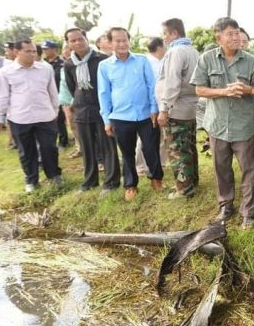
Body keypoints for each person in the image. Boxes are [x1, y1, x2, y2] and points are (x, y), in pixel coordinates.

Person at [191, 17, 254, 229]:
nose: (235, 37)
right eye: (230, 34)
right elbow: (199, 89)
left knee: (248, 170)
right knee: (221, 168)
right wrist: (224, 92)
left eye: (237, 33)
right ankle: (226, 206)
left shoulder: (250, 60)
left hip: (242, 125)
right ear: (219, 38)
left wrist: (248, 90)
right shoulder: (207, 59)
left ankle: (248, 212)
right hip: (217, 125)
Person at [98, 27, 163, 201]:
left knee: (151, 148)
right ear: (110, 43)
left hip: (146, 115)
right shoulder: (104, 66)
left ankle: (156, 178)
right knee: (127, 153)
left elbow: (151, 85)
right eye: (117, 41)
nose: (122, 44)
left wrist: (154, 108)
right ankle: (130, 185)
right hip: (120, 117)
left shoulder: (141, 60)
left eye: (125, 40)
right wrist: (106, 119)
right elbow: (103, 94)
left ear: (129, 41)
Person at [0, 40, 63, 193]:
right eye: (28, 51)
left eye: (34, 51)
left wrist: (55, 111)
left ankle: (54, 175)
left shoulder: (45, 69)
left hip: (45, 116)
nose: (32, 54)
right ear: (17, 52)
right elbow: (1, 96)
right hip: (20, 118)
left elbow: (52, 92)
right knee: (26, 151)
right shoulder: (6, 72)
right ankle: (31, 180)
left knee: (49, 147)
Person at [64, 28, 120, 195]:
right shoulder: (69, 64)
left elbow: (111, 85)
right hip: (81, 110)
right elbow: (72, 87)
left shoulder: (102, 59)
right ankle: (89, 182)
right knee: (87, 148)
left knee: (108, 146)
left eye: (80, 39)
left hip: (102, 109)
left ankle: (111, 182)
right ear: (68, 43)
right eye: (73, 40)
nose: (77, 42)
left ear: (86, 39)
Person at [156, 18, 201, 199]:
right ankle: (193, 181)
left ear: (174, 33)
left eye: (165, 34)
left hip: (177, 108)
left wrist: (164, 108)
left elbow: (172, 83)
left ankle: (184, 189)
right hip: (190, 107)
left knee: (176, 150)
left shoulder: (175, 52)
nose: (163, 38)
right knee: (188, 147)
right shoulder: (193, 51)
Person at [136, 36, 168, 177]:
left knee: (161, 137)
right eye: (165, 46)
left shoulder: (162, 61)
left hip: (161, 104)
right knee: (145, 138)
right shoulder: (147, 62)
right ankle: (140, 166)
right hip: (151, 106)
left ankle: (160, 163)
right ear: (160, 47)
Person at [42, 40, 69, 149]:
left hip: (60, 94)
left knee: (60, 119)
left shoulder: (62, 62)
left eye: (46, 49)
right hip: (46, 95)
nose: (45, 51)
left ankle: (63, 141)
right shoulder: (43, 64)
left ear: (54, 49)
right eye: (43, 49)